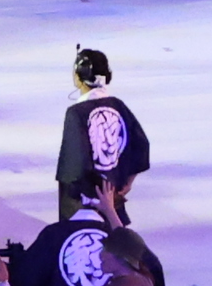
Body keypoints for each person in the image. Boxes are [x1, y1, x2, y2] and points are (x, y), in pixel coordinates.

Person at [53, 49, 148, 224]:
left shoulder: (76, 113)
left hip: (83, 207)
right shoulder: (118, 106)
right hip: (112, 198)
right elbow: (141, 146)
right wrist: (127, 182)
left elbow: (74, 167)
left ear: (79, 76)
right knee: (115, 237)